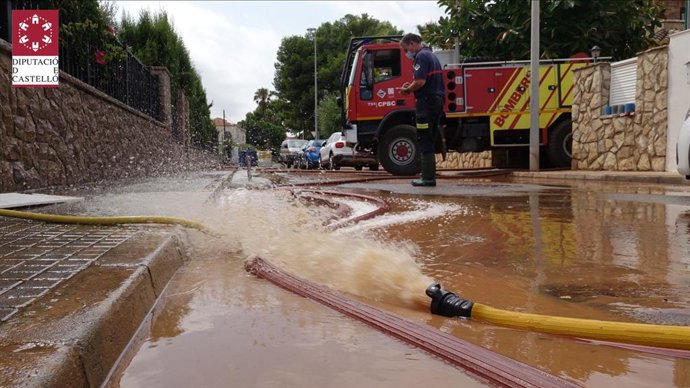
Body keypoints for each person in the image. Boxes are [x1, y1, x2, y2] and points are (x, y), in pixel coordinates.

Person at [399, 33, 445, 187]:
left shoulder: (421, 57)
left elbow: (420, 81)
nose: (407, 53)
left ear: (412, 44)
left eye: (406, 49)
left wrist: (407, 90)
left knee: (424, 138)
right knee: (430, 138)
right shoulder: (431, 55)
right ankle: (428, 176)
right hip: (436, 101)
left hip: (426, 103)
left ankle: (427, 178)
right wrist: (411, 86)